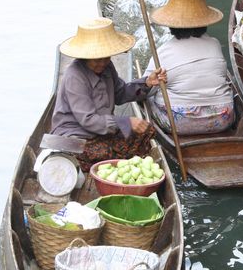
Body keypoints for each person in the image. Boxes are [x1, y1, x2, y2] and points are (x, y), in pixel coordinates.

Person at [51, 17, 166, 171]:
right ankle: (108, 161)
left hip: (102, 131)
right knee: (103, 152)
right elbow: (89, 120)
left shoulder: (107, 66)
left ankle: (114, 161)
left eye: (106, 58)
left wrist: (146, 83)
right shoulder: (74, 76)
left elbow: (120, 93)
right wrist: (125, 122)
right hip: (73, 137)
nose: (102, 63)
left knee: (148, 130)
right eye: (96, 60)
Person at [144, 0, 234, 135]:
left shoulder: (163, 51)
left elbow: (147, 88)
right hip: (223, 118)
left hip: (179, 123)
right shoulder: (215, 44)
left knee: (148, 94)